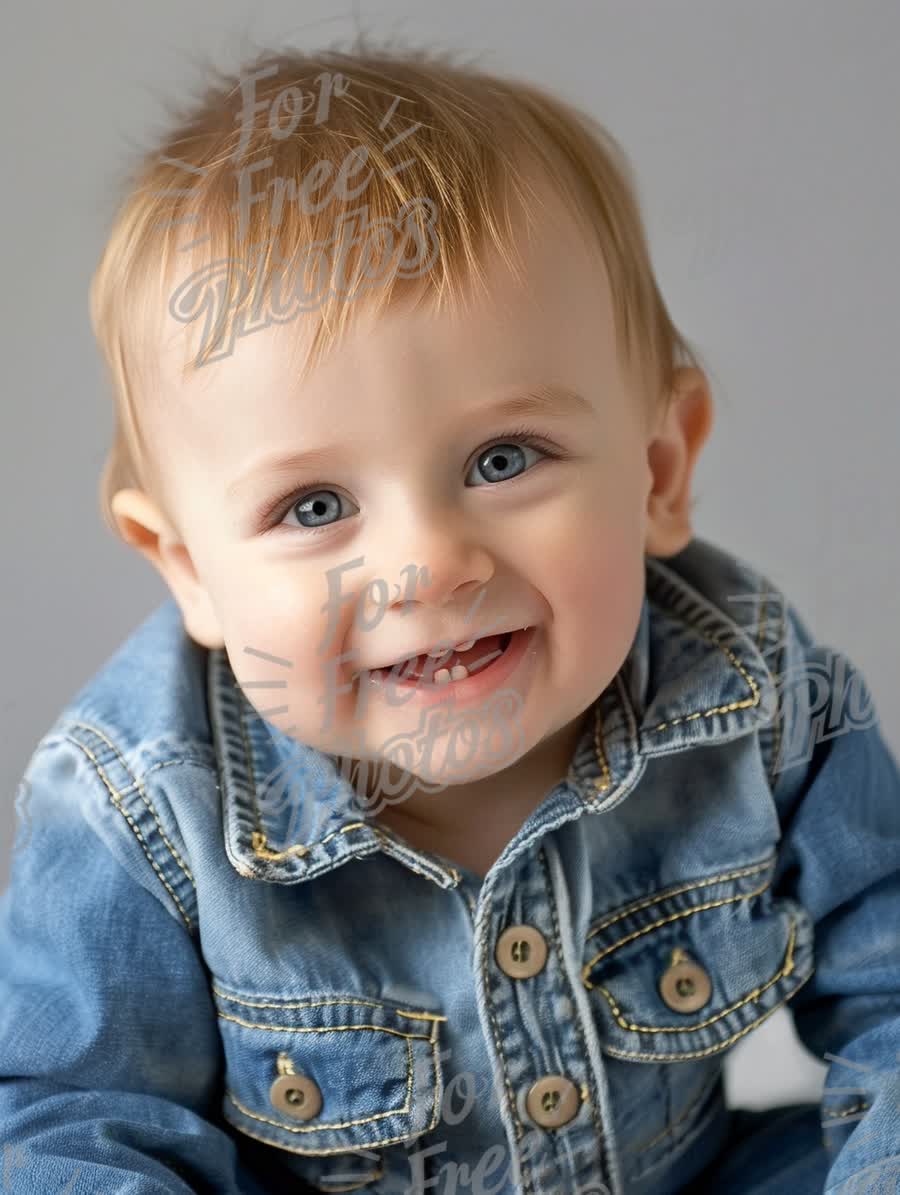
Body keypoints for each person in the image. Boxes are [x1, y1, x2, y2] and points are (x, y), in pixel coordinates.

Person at [1, 42, 898, 1195]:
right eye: (313, 505)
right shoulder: (142, 802)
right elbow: (73, 1115)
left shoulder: (750, 689)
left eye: (502, 457)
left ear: (659, 468)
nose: (424, 564)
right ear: (191, 571)